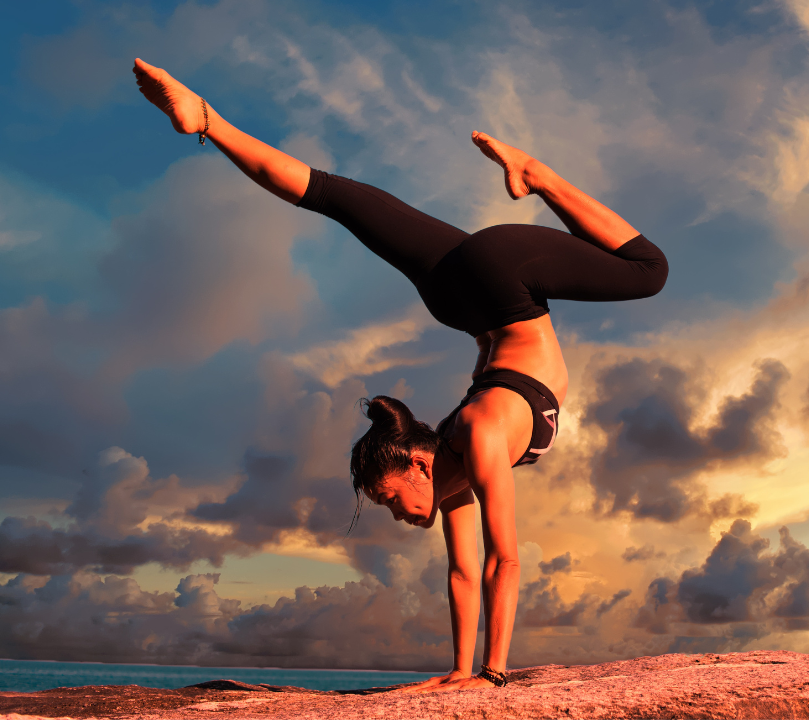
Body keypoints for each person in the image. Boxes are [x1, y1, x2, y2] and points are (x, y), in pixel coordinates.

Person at [133, 58, 667, 692]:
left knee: (647, 271)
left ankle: (536, 174)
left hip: (506, 283)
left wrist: (493, 675)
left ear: (418, 463)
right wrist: (458, 673)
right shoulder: (455, 469)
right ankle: (208, 121)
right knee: (332, 196)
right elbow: (465, 573)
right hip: (460, 295)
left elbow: (507, 559)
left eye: (389, 499)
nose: (397, 516)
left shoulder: (479, 435)